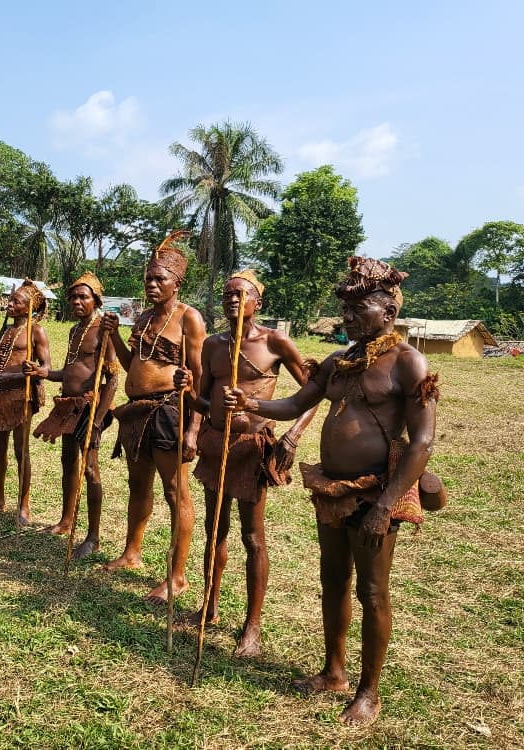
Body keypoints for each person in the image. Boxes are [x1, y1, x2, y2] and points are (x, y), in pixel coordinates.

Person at [224, 256, 438, 726]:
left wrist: (385, 505)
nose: (347, 318)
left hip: (377, 492)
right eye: (345, 308)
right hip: (331, 489)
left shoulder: (408, 362)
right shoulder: (340, 362)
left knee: (373, 590)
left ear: (388, 311)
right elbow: (297, 402)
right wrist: (251, 401)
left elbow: (422, 440)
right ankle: (334, 672)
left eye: (358, 308)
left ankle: (369, 692)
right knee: (333, 581)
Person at [174, 270, 318, 656]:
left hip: (253, 447)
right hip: (217, 444)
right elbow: (203, 402)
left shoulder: (275, 341)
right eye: (227, 294)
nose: (232, 300)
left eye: (241, 294)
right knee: (213, 529)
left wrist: (292, 435)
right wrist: (188, 395)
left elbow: (314, 392)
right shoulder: (213, 345)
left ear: (259, 302)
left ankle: (252, 627)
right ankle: (211, 604)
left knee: (252, 537)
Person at [100, 231, 206, 604]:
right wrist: (113, 337)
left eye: (160, 278)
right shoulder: (143, 317)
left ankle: (177, 577)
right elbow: (132, 366)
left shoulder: (189, 318)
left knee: (175, 491)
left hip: (168, 410)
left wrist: (193, 428)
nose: (152, 284)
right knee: (138, 485)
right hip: (136, 413)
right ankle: (132, 552)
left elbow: (198, 376)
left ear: (177, 283)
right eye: (148, 277)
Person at [24, 272, 119, 557]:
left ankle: (93, 537)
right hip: (68, 405)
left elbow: (113, 378)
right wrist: (43, 373)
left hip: (90, 408)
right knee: (68, 462)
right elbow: (69, 371)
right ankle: (67, 520)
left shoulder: (104, 328)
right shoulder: (75, 330)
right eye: (74, 297)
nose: (77, 301)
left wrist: (98, 419)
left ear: (96, 300)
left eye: (84, 297)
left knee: (90, 470)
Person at [0, 280, 51, 525]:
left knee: (21, 451)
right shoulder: (7, 329)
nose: (9, 305)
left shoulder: (36, 331)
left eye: (15, 302)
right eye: (10, 300)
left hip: (22, 395)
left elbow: (46, 367)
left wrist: (15, 375)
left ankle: (24, 505)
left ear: (29, 307)